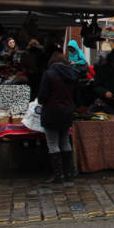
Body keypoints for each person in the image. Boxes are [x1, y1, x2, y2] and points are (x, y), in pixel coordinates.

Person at [38, 52, 79, 183]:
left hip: (51, 111)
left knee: (53, 143)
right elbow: (77, 96)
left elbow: (43, 96)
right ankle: (69, 173)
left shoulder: (49, 74)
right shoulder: (72, 74)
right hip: (67, 111)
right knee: (65, 141)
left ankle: (58, 175)